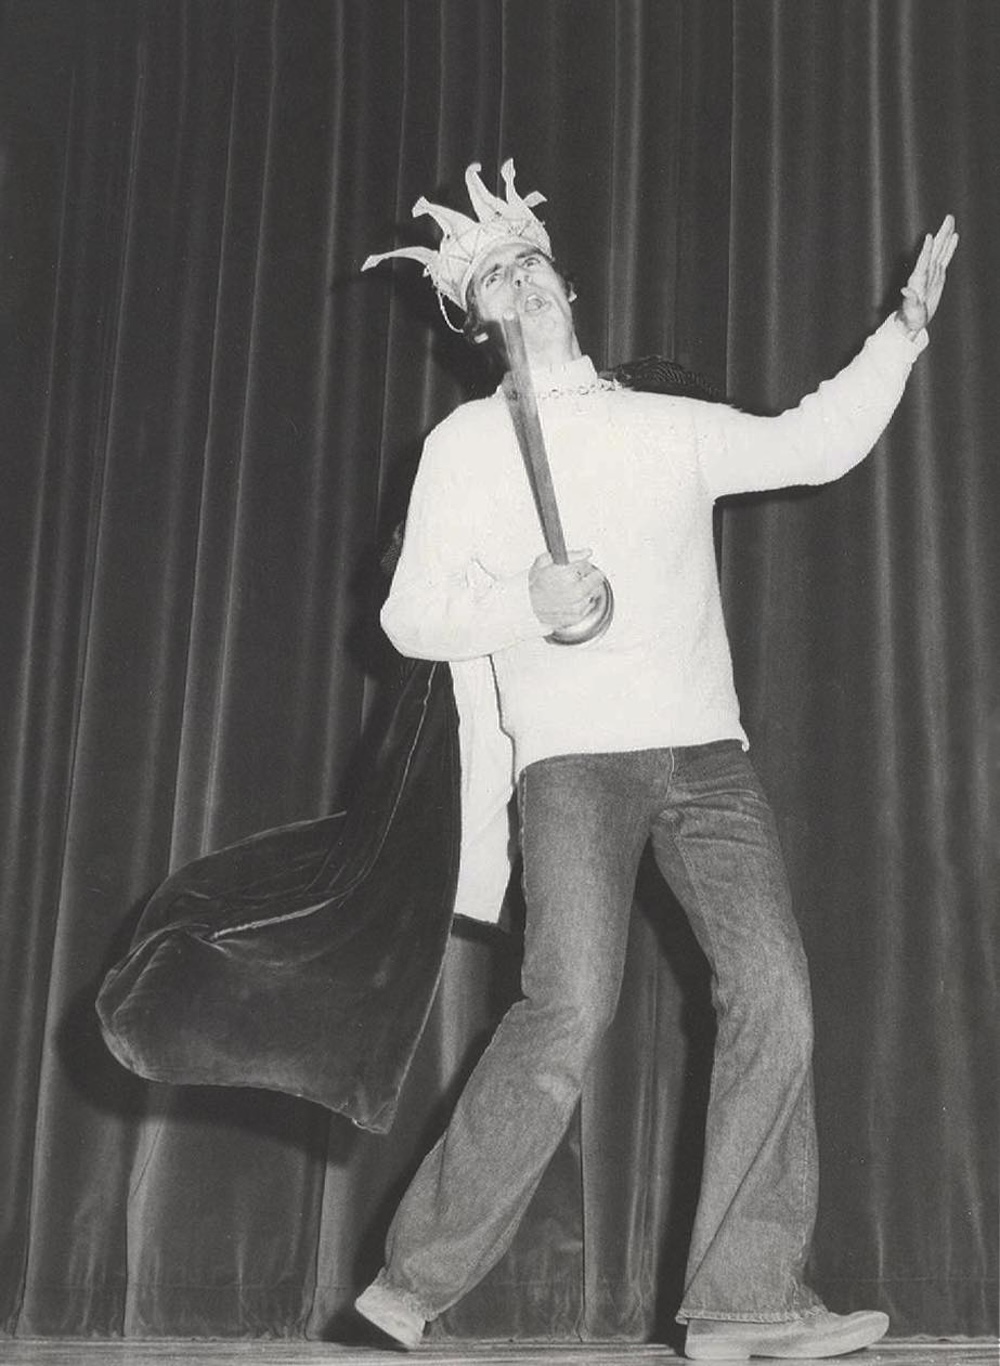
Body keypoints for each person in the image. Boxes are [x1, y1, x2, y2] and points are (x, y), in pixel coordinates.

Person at [356, 160, 958, 1359]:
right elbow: (409, 617)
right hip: (574, 764)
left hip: (706, 759)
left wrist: (901, 332)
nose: (522, 286)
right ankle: (412, 1280)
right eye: (497, 281)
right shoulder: (468, 445)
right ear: (478, 323)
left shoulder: (660, 423)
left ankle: (741, 1301)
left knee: (776, 998)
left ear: (567, 288)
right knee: (567, 1007)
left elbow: (812, 444)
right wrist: (524, 600)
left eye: (533, 267)